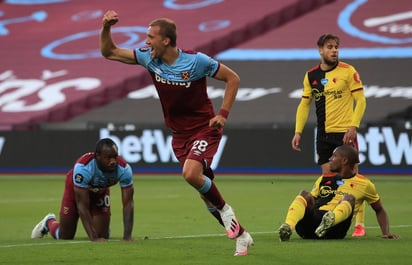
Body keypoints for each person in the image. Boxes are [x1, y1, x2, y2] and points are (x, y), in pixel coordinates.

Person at [99, 11, 253, 256]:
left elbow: (232, 79)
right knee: (206, 196)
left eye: (151, 37)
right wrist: (106, 27)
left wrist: (223, 113)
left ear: (166, 41)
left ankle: (226, 211)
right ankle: (242, 235)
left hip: (205, 128)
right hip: (179, 135)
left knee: (190, 174)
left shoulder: (196, 61)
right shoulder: (149, 58)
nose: (146, 42)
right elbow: (110, 52)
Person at [291, 33, 367, 237]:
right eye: (330, 47)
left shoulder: (348, 71)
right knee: (328, 180)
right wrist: (298, 131)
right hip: (323, 135)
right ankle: (326, 218)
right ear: (320, 50)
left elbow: (361, 100)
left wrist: (354, 125)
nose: (334, 50)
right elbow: (304, 104)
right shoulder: (311, 76)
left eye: (337, 47)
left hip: (345, 134)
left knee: (353, 179)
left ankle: (359, 225)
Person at [278, 145, 400, 241]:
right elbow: (309, 202)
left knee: (349, 198)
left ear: (344, 160)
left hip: (336, 230)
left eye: (334, 156)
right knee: (305, 194)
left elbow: (379, 209)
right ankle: (288, 227)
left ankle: (330, 220)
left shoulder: (365, 184)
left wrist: (386, 233)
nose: (330, 159)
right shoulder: (324, 179)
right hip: (310, 228)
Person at [31, 138, 134, 242]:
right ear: (97, 156)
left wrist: (127, 236)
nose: (113, 161)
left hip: (100, 193)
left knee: (102, 235)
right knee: (65, 236)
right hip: (76, 190)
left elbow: (128, 203)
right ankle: (49, 222)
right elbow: (82, 205)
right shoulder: (83, 168)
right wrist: (93, 238)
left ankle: (103, 229)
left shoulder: (124, 169)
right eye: (108, 158)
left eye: (115, 157)